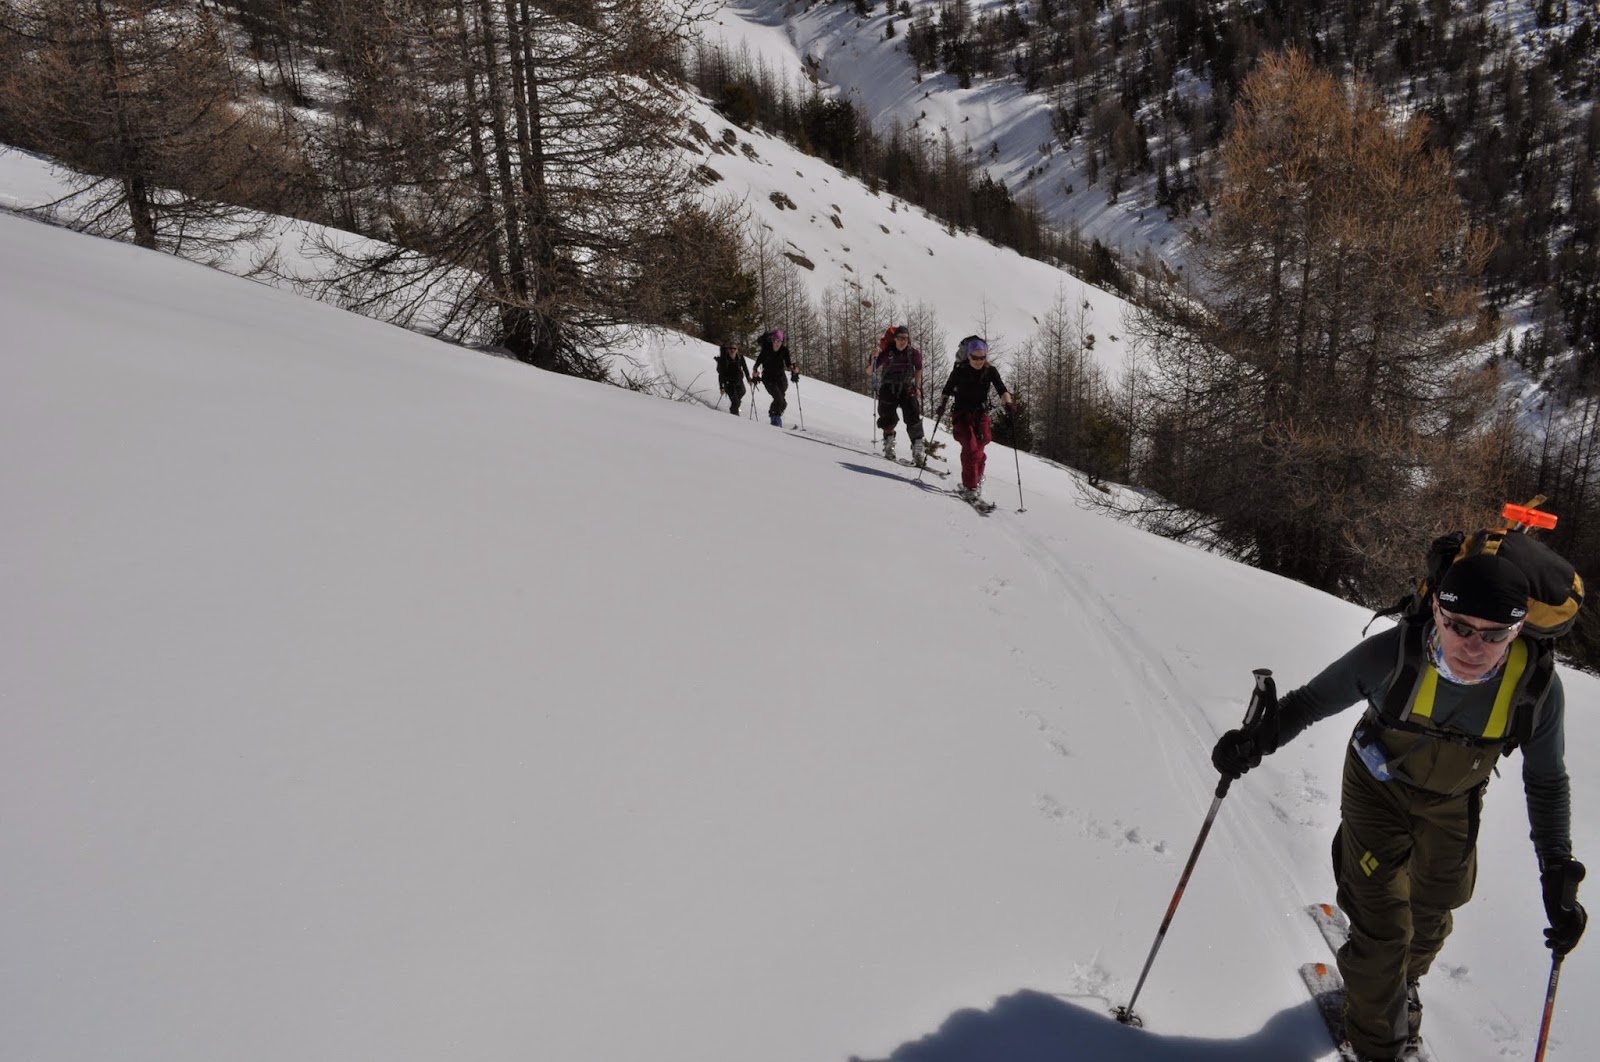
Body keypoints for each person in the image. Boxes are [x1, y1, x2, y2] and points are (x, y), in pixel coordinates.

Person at [1211, 551, 1586, 1062]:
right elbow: (1309, 703)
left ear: (1517, 631)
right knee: (1384, 926)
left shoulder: (1536, 688)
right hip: (1377, 789)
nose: (1473, 646)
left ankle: (1402, 982)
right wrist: (1255, 741)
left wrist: (1556, 866)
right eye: (1459, 626)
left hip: (1454, 801)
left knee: (1435, 908)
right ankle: (1376, 1045)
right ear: (1437, 611)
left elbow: (1546, 780)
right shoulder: (1392, 655)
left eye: (1494, 634)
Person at [934, 336, 1015, 503]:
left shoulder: (990, 371)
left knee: (982, 443)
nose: (979, 361)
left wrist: (1008, 403)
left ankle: (976, 477)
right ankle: (970, 487)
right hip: (962, 415)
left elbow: (1002, 389)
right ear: (969, 356)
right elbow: (947, 390)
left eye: (982, 358)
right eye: (975, 358)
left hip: (981, 415)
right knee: (971, 448)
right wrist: (942, 405)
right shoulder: (959, 370)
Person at [871, 325, 926, 465]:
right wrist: (872, 358)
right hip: (888, 386)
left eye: (905, 339)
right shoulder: (887, 353)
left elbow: (919, 368)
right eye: (900, 338)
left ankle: (918, 450)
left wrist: (917, 386)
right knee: (887, 417)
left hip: (906, 386)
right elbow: (870, 370)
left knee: (913, 415)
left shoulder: (913, 354)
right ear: (895, 339)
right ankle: (889, 446)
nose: (903, 341)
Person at [751, 329, 796, 427]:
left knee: (783, 403)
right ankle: (775, 419)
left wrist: (793, 369)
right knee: (779, 399)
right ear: (772, 340)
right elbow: (757, 363)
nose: (777, 344)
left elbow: (788, 363)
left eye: (779, 341)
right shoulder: (766, 349)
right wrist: (755, 371)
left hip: (781, 378)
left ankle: (775, 416)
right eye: (775, 341)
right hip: (768, 378)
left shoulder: (784, 350)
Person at [714, 339, 751, 416]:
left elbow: (745, 368)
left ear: (737, 350)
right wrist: (721, 387)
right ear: (728, 349)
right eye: (731, 348)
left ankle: (734, 408)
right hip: (728, 382)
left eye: (734, 348)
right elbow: (721, 374)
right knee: (735, 401)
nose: (732, 350)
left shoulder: (740, 358)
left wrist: (748, 378)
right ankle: (735, 416)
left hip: (738, 380)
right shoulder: (724, 360)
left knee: (742, 392)